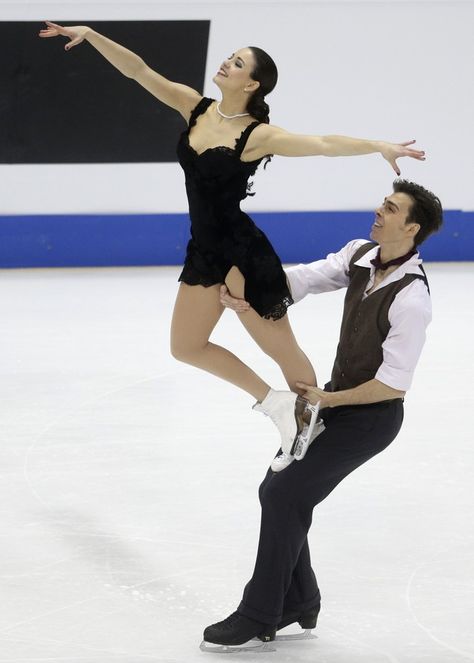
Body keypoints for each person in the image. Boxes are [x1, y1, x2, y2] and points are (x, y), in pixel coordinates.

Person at [39, 22, 426, 458]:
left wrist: (376, 144)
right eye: (230, 56)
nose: (227, 62)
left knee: (283, 351)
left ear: (253, 83)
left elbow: (321, 143)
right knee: (185, 347)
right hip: (204, 250)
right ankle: (276, 404)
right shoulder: (195, 108)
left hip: (243, 256)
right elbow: (140, 72)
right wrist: (91, 35)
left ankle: (314, 417)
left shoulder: (257, 135)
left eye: (238, 62)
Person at [201, 179, 443, 651]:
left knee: (285, 493)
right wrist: (250, 294)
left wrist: (328, 401)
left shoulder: (412, 299)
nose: (379, 211)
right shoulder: (360, 255)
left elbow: (393, 383)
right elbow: (304, 279)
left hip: (370, 419)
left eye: (391, 208)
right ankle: (299, 599)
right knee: (279, 491)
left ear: (411, 227)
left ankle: (259, 612)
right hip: (332, 401)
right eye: (382, 203)